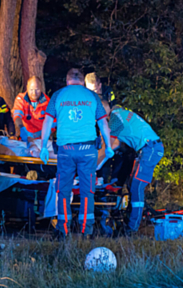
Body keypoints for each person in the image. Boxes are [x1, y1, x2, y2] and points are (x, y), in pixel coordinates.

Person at [40, 68, 113, 237]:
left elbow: (47, 122)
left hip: (66, 150)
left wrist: (44, 146)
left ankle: (63, 229)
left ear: (67, 81)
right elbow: (103, 124)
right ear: (82, 81)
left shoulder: (58, 95)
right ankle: (86, 231)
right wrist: (108, 146)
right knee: (88, 191)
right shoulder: (93, 96)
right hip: (88, 151)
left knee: (63, 190)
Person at [104, 102, 164, 232]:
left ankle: (132, 228)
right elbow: (117, 143)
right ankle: (130, 219)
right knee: (132, 185)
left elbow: (111, 145)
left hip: (150, 148)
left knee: (137, 187)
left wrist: (97, 161)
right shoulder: (123, 115)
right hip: (148, 148)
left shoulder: (115, 117)